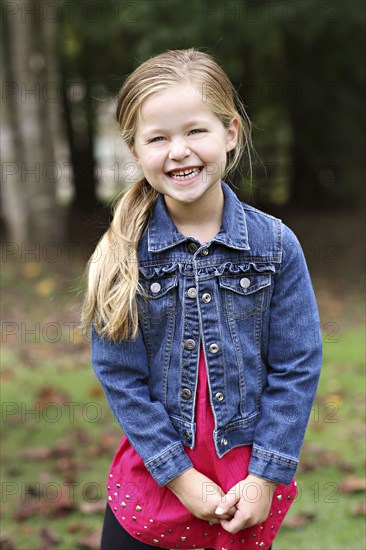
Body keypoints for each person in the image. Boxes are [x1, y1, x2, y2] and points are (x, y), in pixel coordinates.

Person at [82, 48, 322, 550]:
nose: (179, 151)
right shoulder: (123, 252)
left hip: (245, 482)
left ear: (229, 133)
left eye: (195, 131)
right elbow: (120, 373)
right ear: (135, 149)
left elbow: (296, 365)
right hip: (157, 474)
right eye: (158, 138)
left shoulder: (275, 246)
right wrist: (178, 477)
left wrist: (266, 475)